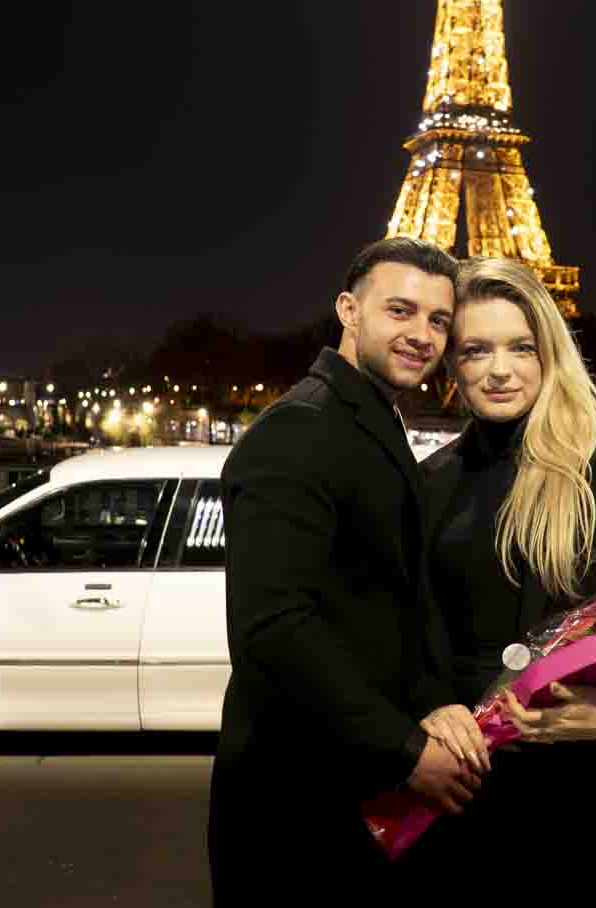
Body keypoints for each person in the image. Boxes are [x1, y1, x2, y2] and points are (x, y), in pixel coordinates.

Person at [413, 257, 596, 903]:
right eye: (475, 350)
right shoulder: (433, 481)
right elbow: (417, 631)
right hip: (478, 792)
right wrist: (432, 707)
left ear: (549, 351)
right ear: (451, 366)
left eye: (521, 346)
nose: (500, 369)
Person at [209, 238, 489, 902]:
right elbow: (272, 630)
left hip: (342, 793)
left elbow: (383, 605)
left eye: (438, 320)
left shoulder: (364, 420)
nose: (422, 334)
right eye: (401, 310)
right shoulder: (298, 431)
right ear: (348, 310)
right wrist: (407, 750)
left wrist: (433, 703)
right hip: (297, 810)